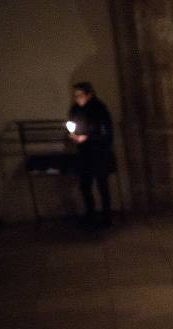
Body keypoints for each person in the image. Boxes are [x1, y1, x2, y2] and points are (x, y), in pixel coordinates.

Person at [68, 82, 114, 227]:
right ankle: (90, 214)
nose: (77, 98)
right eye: (75, 96)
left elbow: (106, 132)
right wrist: (73, 135)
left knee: (102, 185)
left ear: (89, 94)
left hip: (99, 152)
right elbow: (71, 125)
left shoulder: (99, 109)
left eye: (80, 95)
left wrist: (88, 137)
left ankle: (107, 216)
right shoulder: (75, 109)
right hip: (84, 153)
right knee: (85, 185)